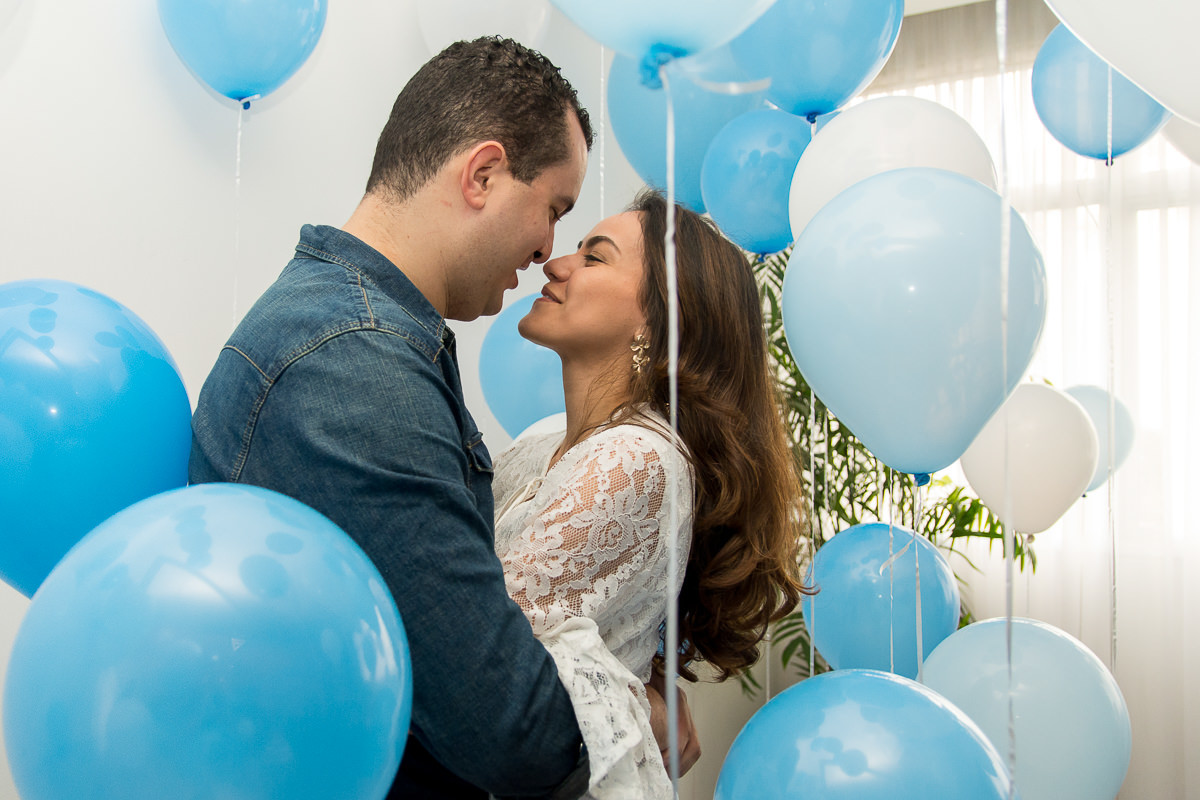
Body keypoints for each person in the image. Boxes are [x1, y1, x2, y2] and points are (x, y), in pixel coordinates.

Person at [190, 37, 617, 799]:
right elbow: (509, 730)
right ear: (482, 174)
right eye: (553, 209)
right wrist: (633, 710)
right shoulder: (356, 367)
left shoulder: (358, 335)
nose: (547, 249)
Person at [490, 189, 810, 796]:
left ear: (659, 319)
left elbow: (481, 642)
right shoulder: (539, 446)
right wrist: (643, 691)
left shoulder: (637, 458)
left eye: (594, 257)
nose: (555, 263)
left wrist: (642, 704)